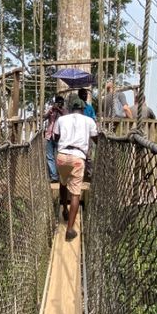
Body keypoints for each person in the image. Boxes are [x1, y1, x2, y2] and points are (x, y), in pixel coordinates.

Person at [54, 96, 98, 241]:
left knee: (62, 182)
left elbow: (55, 137)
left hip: (61, 156)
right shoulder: (89, 121)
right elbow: (95, 139)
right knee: (75, 194)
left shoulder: (61, 119)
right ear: (83, 109)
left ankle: (64, 210)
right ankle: (70, 229)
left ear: (71, 108)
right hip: (78, 158)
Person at [43, 95, 66, 181]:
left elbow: (65, 117)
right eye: (58, 102)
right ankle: (54, 176)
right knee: (50, 156)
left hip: (60, 137)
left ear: (63, 103)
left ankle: (62, 176)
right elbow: (44, 118)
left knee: (61, 157)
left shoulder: (64, 111)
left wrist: (59, 110)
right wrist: (51, 110)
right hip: (49, 136)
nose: (59, 104)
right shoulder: (51, 109)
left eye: (61, 102)